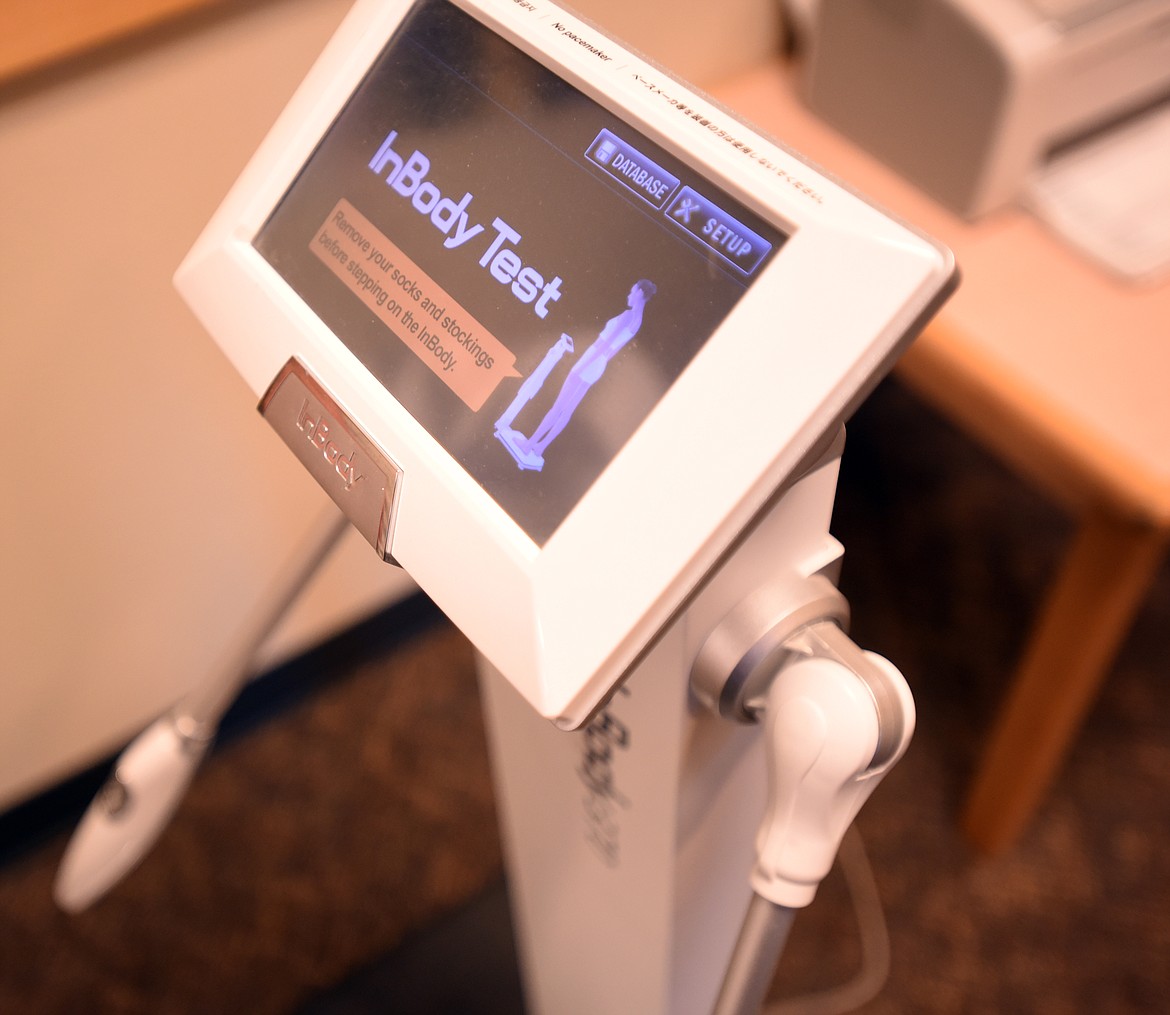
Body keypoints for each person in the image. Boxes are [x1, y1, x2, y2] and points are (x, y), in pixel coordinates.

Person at [522, 279, 656, 460]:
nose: (629, 295)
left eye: (632, 292)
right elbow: (614, 349)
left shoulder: (627, 316)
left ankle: (530, 444)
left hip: (592, 358)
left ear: (640, 293)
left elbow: (605, 344)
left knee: (559, 406)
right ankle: (540, 447)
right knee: (567, 410)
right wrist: (598, 364)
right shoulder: (637, 321)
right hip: (600, 362)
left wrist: (582, 366)